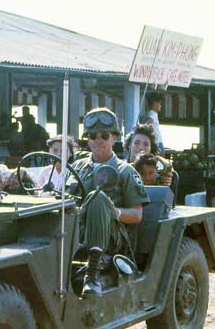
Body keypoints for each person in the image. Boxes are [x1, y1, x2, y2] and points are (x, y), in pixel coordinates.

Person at [66, 107, 149, 297]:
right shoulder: (77, 167)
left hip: (112, 237)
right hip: (74, 229)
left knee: (98, 198)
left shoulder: (125, 171)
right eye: (93, 135)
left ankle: (92, 274)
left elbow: (137, 215)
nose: (98, 139)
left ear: (114, 138)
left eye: (104, 135)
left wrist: (114, 211)